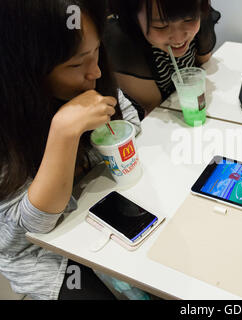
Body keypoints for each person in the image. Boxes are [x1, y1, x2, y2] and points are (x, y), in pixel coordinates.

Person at [0, 0, 142, 299]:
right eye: (76, 64)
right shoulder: (9, 125)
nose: (96, 72)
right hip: (41, 251)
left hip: (104, 207)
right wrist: (63, 133)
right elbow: (30, 230)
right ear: (24, 69)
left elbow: (130, 123)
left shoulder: (93, 76)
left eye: (97, 52)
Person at [104, 0, 221, 119]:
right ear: (134, 18)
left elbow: (204, 65)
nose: (178, 38)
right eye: (161, 26)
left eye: (189, 19)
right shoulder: (124, 43)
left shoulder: (198, 14)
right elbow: (155, 108)